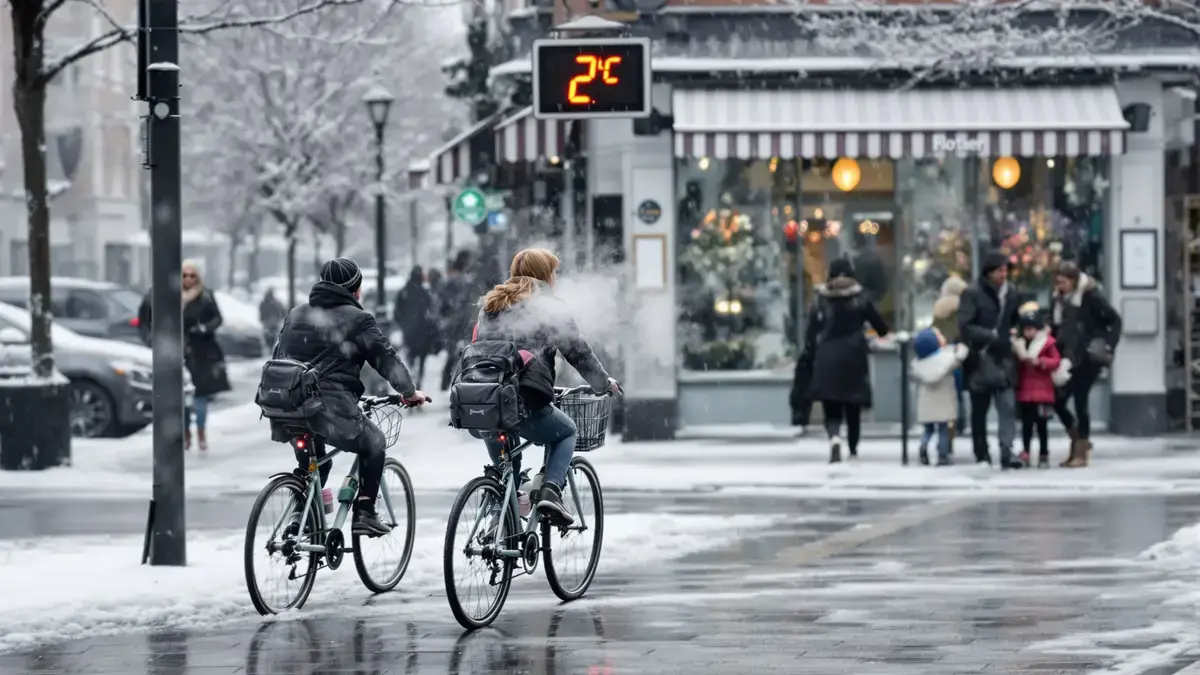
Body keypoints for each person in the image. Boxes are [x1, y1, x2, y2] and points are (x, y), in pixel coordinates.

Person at [271, 258, 428, 536]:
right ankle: (365, 511)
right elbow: (386, 360)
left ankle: (300, 515)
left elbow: (279, 356)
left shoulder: (295, 314)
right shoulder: (359, 319)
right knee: (374, 443)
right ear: (356, 289)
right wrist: (409, 392)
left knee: (315, 464)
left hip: (287, 406)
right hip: (328, 408)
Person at [472, 248, 619, 523]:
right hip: (522, 397)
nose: (555, 278)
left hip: (481, 399)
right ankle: (551, 492)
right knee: (566, 432)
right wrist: (603, 383)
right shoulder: (550, 306)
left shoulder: (491, 303)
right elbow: (577, 351)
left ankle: (501, 516)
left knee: (507, 471)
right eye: (553, 272)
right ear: (544, 275)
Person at [806, 258, 890, 463]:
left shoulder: (821, 299)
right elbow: (881, 327)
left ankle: (834, 437)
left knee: (831, 403)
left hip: (827, 355)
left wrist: (814, 351)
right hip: (854, 355)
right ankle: (853, 448)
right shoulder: (861, 297)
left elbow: (811, 332)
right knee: (853, 404)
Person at [1048, 261, 1122, 468]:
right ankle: (1077, 439)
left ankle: (1081, 450)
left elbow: (1115, 320)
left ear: (1073, 281)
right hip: (1066, 356)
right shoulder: (1057, 299)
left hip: (1088, 357)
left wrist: (1108, 345)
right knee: (1057, 399)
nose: (1060, 286)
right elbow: (1056, 325)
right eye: (1058, 282)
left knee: (1081, 400)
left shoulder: (1091, 296)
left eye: (1063, 282)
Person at [957, 251, 1022, 469]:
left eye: (1006, 271)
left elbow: (1014, 319)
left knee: (1007, 406)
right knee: (979, 410)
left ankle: (1007, 450)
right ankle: (981, 453)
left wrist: (1015, 333)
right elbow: (965, 325)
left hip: (1004, 358)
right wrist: (990, 336)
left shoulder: (1011, 292)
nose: (1004, 275)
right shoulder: (972, 293)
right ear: (988, 272)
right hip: (980, 358)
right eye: (999, 271)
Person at [180, 260, 231, 452]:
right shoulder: (174, 296)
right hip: (181, 351)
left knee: (200, 396)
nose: (188, 279)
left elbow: (218, 318)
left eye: (192, 275)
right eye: (185, 275)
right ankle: (186, 433)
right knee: (182, 396)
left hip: (202, 352)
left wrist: (204, 328)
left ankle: (201, 433)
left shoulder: (206, 296)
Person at [1012, 303, 1062, 469]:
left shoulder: (1047, 343)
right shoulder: (1019, 344)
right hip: (1026, 392)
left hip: (1042, 392)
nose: (1028, 332)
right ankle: (1026, 451)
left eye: (1031, 329)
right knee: (1026, 424)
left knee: (1042, 425)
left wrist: (1040, 362)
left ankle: (1043, 453)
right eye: (1026, 329)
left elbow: (1056, 361)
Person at [911, 327, 968, 466]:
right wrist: (962, 347)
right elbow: (960, 357)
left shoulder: (917, 363)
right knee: (943, 430)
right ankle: (943, 456)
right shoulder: (946, 359)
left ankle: (923, 447)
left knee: (928, 430)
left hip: (926, 404)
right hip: (944, 402)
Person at [931, 275, 970, 442]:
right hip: (960, 351)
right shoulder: (965, 307)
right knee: (959, 393)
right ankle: (960, 422)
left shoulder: (939, 307)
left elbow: (934, 331)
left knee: (946, 391)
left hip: (943, 352)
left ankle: (947, 424)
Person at [393, 267, 438, 389]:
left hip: (409, 330)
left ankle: (412, 374)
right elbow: (431, 310)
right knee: (422, 356)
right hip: (422, 330)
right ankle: (419, 378)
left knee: (410, 354)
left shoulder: (404, 292)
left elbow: (397, 313)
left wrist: (403, 324)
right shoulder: (424, 293)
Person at [439, 251, 478, 391]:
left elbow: (443, 305)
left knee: (455, 355)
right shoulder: (464, 282)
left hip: (456, 324)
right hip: (460, 324)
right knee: (461, 355)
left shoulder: (455, 281)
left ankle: (448, 384)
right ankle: (455, 384)